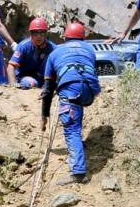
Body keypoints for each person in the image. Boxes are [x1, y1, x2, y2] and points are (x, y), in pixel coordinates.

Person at [41, 22, 101, 186]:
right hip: (90, 89)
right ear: (83, 37)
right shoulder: (89, 49)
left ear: (65, 36)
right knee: (76, 106)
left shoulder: (55, 52)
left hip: (70, 89)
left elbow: (48, 89)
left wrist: (44, 115)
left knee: (71, 130)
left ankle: (78, 173)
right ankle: (80, 144)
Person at [8, 18, 55, 88]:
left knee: (52, 57)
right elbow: (11, 66)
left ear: (45, 34)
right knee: (31, 83)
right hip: (24, 77)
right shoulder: (23, 46)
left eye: (42, 33)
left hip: (42, 77)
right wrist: (13, 83)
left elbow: (61, 55)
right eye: (35, 33)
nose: (38, 36)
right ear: (31, 34)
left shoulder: (51, 46)